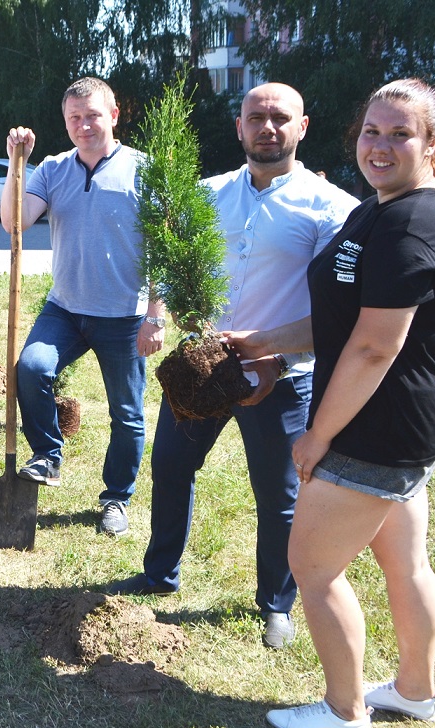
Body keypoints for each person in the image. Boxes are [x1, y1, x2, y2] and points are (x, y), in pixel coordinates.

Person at [236, 78, 435, 728]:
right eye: (371, 131)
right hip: (401, 429)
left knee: (310, 569)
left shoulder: (414, 223)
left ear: (432, 143)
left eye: (399, 134)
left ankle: (344, 714)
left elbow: (371, 348)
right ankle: (414, 692)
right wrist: (262, 341)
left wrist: (317, 437)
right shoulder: (379, 209)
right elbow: (340, 320)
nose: (380, 145)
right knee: (405, 564)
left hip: (374, 430)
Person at [106, 83, 359, 649]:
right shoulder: (207, 196)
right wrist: (159, 311)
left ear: (302, 127)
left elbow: (336, 312)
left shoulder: (333, 210)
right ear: (239, 127)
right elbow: (172, 265)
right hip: (205, 370)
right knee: (170, 464)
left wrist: (278, 359)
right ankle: (159, 574)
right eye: (256, 117)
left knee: (278, 495)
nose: (267, 127)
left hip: (282, 378)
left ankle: (275, 603)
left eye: (280, 118)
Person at [2, 77, 166, 537]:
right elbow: (14, 221)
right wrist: (18, 164)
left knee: (127, 414)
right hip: (66, 310)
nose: (83, 125)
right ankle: (48, 456)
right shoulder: (52, 170)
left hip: (124, 316)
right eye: (74, 118)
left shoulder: (144, 170)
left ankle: (115, 498)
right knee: (31, 367)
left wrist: (156, 314)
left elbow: (165, 247)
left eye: (92, 115)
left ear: (113, 115)